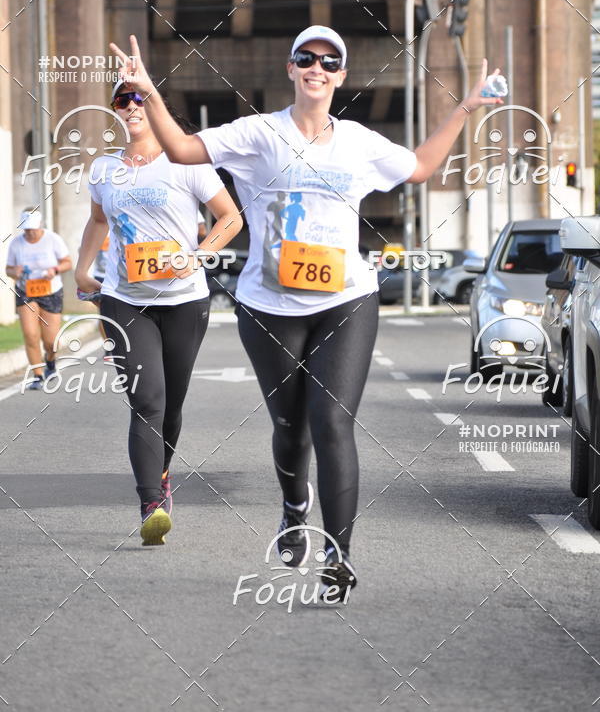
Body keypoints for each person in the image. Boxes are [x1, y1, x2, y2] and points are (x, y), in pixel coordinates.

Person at [110, 29, 502, 596]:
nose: (317, 67)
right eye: (305, 59)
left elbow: (419, 167)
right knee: (290, 430)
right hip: (269, 307)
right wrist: (148, 91)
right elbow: (184, 150)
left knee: (333, 424)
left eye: (329, 62)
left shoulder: (360, 143)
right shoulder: (259, 133)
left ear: (341, 76)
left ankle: (338, 556)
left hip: (346, 301)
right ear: (291, 69)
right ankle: (295, 510)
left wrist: (464, 108)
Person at [74, 80, 242, 546]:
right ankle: (151, 503)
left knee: (172, 404)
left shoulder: (187, 160)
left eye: (139, 99)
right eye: (121, 101)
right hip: (125, 299)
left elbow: (230, 218)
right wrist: (82, 268)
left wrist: (198, 254)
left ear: (157, 107)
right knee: (147, 399)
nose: (129, 107)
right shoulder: (105, 169)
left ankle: (162, 471)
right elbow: (99, 221)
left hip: (184, 300)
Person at [6, 208, 72, 390]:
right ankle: (37, 375)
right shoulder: (16, 244)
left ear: (40, 225)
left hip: (50, 291)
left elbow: (67, 262)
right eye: (26, 229)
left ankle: (50, 362)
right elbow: (8, 269)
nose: (30, 232)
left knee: (52, 342)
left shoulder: (53, 239)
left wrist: (55, 270)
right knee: (30, 335)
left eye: (33, 228)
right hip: (26, 291)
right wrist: (15, 272)